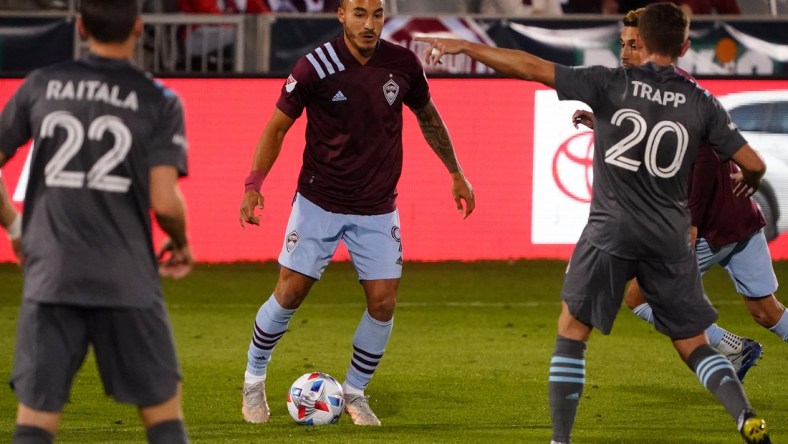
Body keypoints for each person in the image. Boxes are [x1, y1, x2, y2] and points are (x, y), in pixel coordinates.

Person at [416, 3, 771, 443]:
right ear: (683, 46)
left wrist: (463, 45)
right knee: (694, 343)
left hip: (610, 230)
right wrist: (750, 180)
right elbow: (752, 163)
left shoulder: (608, 82)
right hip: (668, 238)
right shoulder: (701, 102)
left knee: (572, 332)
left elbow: (529, 66)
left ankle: (560, 440)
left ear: (640, 38)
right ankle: (744, 415)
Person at [238, 0, 475, 427]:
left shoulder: (402, 63)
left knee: (383, 303)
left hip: (377, 207)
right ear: (341, 15)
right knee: (289, 293)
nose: (370, 23)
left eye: (378, 14)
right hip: (319, 201)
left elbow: (429, 118)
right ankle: (254, 381)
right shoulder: (315, 66)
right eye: (360, 13)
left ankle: (355, 392)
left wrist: (456, 172)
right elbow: (276, 127)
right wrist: (254, 184)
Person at [0, 0, 193, 443]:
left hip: (51, 276)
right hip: (127, 280)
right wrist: (181, 242)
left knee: (35, 420)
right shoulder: (159, 100)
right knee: (163, 414)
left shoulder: (41, 85)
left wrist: (15, 228)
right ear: (140, 27)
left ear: (81, 27)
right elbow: (165, 203)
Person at [572, 8, 771, 383]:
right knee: (767, 312)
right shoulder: (663, 91)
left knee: (637, 297)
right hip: (740, 216)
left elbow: (708, 161)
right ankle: (736, 346)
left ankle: (733, 347)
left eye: (636, 45)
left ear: (656, 47)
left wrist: (692, 221)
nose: (626, 53)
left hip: (708, 226)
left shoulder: (677, 92)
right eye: (624, 44)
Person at [478, 0, 564, 15]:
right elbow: (516, 15)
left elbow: (557, 15)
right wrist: (537, 14)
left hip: (534, 34)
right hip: (498, 38)